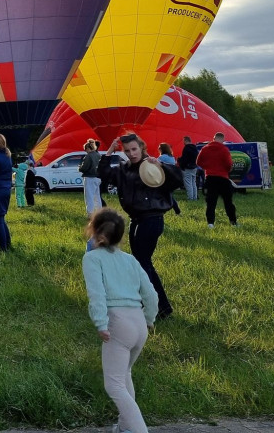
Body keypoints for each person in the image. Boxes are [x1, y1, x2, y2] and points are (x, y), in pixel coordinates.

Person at [82, 208, 158, 433]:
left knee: (113, 385)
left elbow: (97, 295)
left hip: (117, 323)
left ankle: (138, 430)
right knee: (124, 375)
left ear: (94, 230)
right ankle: (125, 427)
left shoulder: (92, 258)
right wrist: (150, 318)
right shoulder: (130, 259)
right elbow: (151, 294)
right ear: (121, 235)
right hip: (138, 322)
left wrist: (101, 323)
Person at [98, 132, 181, 320]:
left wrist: (161, 166)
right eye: (127, 151)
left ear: (141, 147)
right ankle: (159, 306)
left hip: (152, 219)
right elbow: (102, 173)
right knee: (141, 263)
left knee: (142, 263)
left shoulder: (152, 165)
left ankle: (158, 307)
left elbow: (177, 180)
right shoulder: (123, 169)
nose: (132, 153)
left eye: (134, 149)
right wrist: (109, 151)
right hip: (136, 220)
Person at [197, 132, 237, 228]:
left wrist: (207, 167)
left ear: (213, 138)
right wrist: (228, 169)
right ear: (223, 140)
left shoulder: (205, 148)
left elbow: (198, 162)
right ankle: (233, 222)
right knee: (228, 201)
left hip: (210, 178)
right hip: (223, 178)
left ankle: (210, 223)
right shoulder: (224, 149)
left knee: (211, 202)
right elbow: (228, 164)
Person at [79, 139, 103, 217]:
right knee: (97, 197)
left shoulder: (89, 156)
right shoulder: (98, 155)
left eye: (85, 149)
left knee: (89, 197)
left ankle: (90, 214)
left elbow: (84, 168)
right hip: (98, 177)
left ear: (88, 148)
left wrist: (80, 168)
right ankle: (100, 212)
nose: (85, 151)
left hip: (89, 177)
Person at [178, 135, 199, 201]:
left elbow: (185, 159)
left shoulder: (186, 148)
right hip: (194, 167)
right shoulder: (195, 148)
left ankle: (190, 198)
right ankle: (194, 198)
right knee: (193, 183)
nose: (183, 142)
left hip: (187, 168)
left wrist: (180, 162)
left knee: (188, 183)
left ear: (186, 140)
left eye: (183, 141)